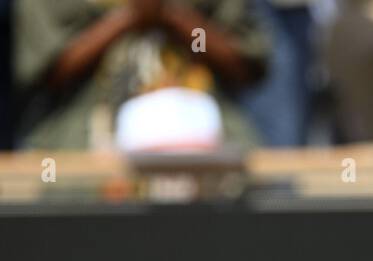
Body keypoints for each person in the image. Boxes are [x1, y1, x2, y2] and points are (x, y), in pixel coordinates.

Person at [14, 0, 269, 151]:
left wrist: (172, 17)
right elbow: (50, 72)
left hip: (199, 120)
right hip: (87, 124)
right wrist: (130, 17)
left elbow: (244, 68)